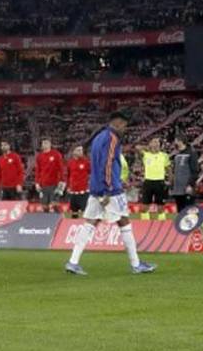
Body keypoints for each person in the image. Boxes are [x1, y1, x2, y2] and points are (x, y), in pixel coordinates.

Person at [63, 110, 156, 276]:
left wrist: (99, 189)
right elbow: (107, 164)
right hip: (110, 190)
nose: (125, 129)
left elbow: (98, 163)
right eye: (125, 126)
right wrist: (107, 189)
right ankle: (136, 264)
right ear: (118, 123)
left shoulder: (99, 138)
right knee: (124, 222)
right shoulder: (112, 138)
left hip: (95, 188)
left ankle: (73, 261)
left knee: (90, 223)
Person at [139, 137, 170, 221]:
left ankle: (161, 223)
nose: (156, 143)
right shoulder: (146, 154)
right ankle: (144, 224)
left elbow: (168, 169)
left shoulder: (164, 155)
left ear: (160, 144)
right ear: (150, 144)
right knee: (145, 206)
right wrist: (148, 147)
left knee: (160, 206)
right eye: (153, 142)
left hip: (160, 182)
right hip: (148, 181)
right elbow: (137, 147)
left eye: (157, 142)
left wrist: (171, 180)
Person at [169, 136, 201, 216]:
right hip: (177, 188)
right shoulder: (176, 154)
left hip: (187, 187)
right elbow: (175, 171)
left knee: (190, 211)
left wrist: (190, 184)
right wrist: (173, 185)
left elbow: (195, 170)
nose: (174, 143)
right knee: (180, 212)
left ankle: (194, 228)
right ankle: (182, 228)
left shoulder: (191, 153)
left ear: (180, 141)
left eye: (175, 140)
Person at [34, 138, 65, 213]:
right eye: (44, 143)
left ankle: (59, 220)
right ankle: (46, 222)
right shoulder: (39, 156)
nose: (45, 145)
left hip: (54, 184)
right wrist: (37, 183)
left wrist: (62, 180)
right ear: (41, 145)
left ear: (50, 144)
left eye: (47, 143)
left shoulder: (56, 154)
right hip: (43, 184)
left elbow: (61, 168)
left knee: (55, 205)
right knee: (44, 206)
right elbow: (38, 170)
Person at [64, 145, 90, 218]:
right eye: (78, 150)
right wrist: (68, 186)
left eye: (81, 150)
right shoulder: (70, 163)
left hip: (83, 193)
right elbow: (67, 176)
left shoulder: (86, 162)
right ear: (74, 152)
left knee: (84, 214)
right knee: (73, 214)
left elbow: (93, 173)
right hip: (73, 193)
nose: (81, 152)